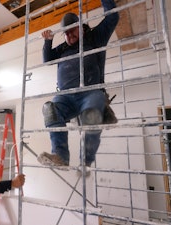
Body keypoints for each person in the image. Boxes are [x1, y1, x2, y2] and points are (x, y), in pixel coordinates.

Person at [37, 0, 119, 168]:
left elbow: (113, 17)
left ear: (81, 27)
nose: (69, 36)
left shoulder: (95, 37)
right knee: (49, 109)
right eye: (66, 34)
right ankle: (60, 156)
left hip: (90, 92)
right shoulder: (63, 47)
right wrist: (48, 41)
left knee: (91, 114)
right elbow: (47, 60)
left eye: (72, 31)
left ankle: (86, 159)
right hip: (65, 97)